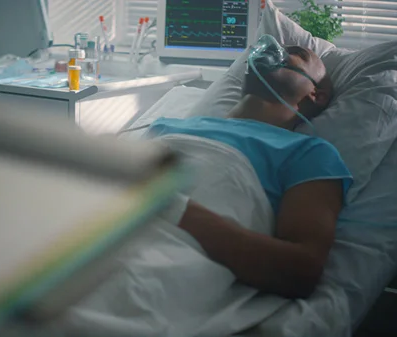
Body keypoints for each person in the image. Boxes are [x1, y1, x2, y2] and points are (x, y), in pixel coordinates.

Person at [146, 45, 353, 299]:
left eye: (297, 53)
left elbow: (301, 271)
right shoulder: (166, 127)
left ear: (315, 94)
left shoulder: (309, 153)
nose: (275, 49)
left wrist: (171, 209)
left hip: (160, 267)